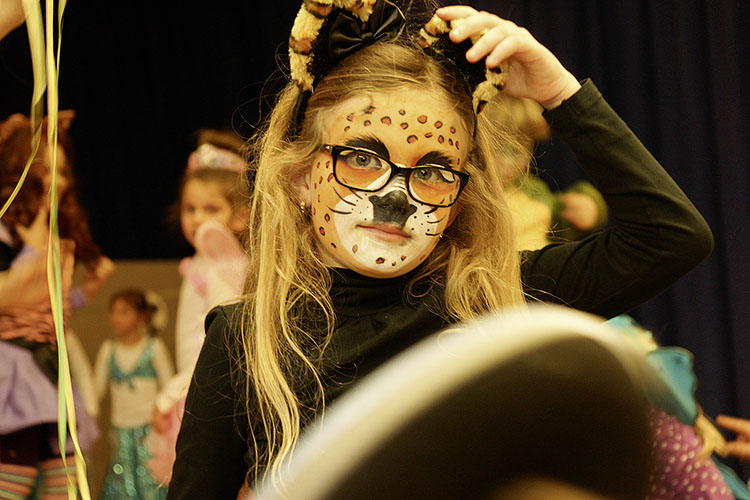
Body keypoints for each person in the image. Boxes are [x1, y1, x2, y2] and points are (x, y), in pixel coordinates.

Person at [167, 2, 713, 498]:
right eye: (362, 158)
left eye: (431, 170)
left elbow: (670, 238)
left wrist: (558, 93)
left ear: (458, 201)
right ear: (302, 177)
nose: (395, 198)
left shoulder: (498, 305)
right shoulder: (247, 339)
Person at [0, 112, 114, 499]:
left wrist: (85, 294)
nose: (57, 181)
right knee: (13, 475)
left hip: (47, 371)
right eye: (46, 170)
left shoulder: (56, 241)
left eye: (62, 172)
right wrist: (33, 249)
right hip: (12, 372)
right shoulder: (7, 232)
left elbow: (46, 309)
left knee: (63, 477)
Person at [146, 129, 250, 485]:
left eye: (211, 209)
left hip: (207, 391)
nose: (197, 218)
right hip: (194, 387)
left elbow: (217, 344)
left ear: (240, 215)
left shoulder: (225, 267)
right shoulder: (205, 262)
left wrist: (173, 392)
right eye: (190, 208)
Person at [93, 288, 173, 500]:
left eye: (124, 312)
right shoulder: (108, 350)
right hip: (120, 430)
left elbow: (169, 387)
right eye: (113, 312)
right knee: (121, 483)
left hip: (149, 431)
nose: (115, 318)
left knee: (150, 484)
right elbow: (95, 392)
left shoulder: (153, 347)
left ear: (141, 315)